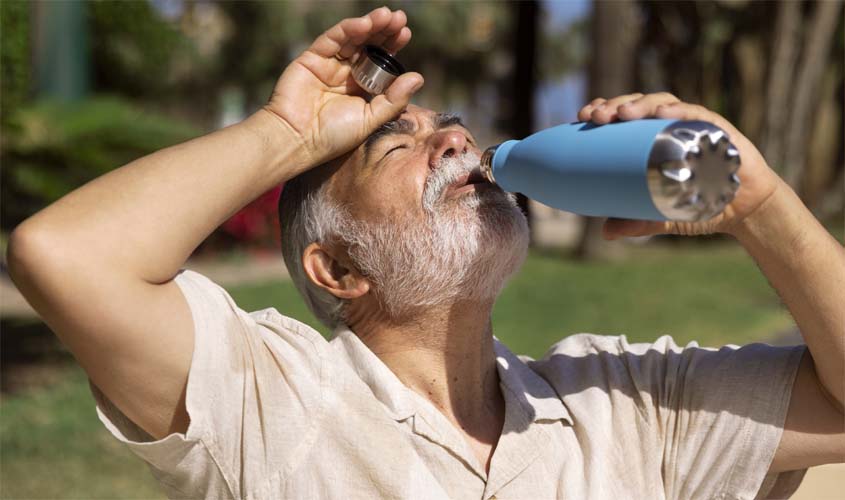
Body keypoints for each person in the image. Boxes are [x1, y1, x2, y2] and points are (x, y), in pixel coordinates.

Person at [7, 8, 844, 500]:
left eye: (450, 129)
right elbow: (66, 255)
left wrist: (759, 207)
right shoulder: (271, 401)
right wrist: (286, 132)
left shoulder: (627, 404)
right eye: (395, 146)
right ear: (338, 269)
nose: (454, 141)